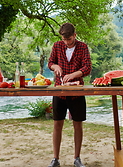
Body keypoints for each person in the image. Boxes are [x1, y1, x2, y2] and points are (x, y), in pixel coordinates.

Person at [47, 23, 92, 167]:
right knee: (57, 124)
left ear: (75, 35)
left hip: (77, 91)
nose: (66, 42)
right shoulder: (57, 46)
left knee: (77, 125)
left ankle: (77, 158)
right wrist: (56, 66)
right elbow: (50, 63)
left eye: (69, 40)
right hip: (59, 91)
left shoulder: (83, 47)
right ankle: (55, 159)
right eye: (64, 40)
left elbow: (87, 67)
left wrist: (73, 75)